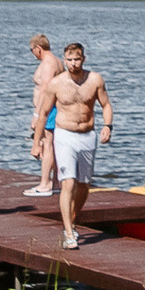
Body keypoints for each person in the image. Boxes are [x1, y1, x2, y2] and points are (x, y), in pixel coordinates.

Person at [46, 41, 114, 249]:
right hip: (64, 134)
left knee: (84, 185)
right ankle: (68, 233)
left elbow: (106, 104)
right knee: (68, 182)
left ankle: (71, 221)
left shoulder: (95, 80)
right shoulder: (56, 83)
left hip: (87, 135)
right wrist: (37, 141)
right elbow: (43, 114)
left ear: (83, 59)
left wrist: (108, 126)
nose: (74, 63)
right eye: (69, 60)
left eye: (77, 59)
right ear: (64, 60)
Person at [25, 33, 61, 196]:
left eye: (32, 49)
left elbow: (46, 89)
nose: (32, 53)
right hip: (53, 108)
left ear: (38, 48)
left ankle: (45, 183)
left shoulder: (48, 63)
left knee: (47, 145)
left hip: (49, 109)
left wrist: (37, 114)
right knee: (51, 145)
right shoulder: (57, 61)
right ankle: (55, 182)